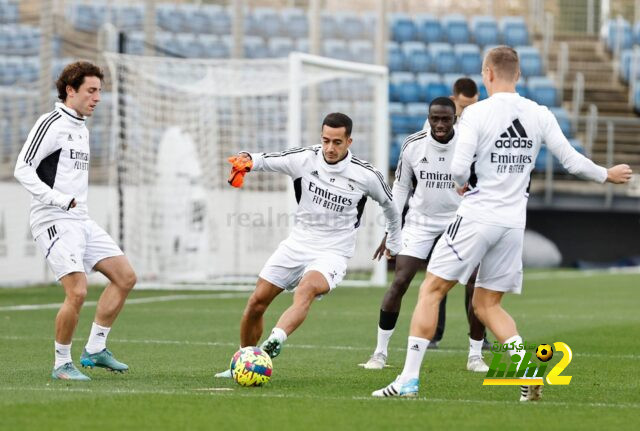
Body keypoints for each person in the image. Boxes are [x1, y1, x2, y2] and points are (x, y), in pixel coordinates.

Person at [372, 46, 632, 400]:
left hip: (478, 216)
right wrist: (607, 174)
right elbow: (571, 161)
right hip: (513, 224)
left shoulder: (477, 114)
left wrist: (461, 182)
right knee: (487, 305)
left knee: (431, 290)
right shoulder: (539, 113)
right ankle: (526, 373)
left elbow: (458, 169)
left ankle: (408, 380)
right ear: (519, 75)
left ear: (488, 74)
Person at [215, 113, 402, 377]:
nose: (330, 148)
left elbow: (392, 208)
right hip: (297, 243)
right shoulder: (304, 159)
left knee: (307, 289)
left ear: (349, 141)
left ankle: (277, 338)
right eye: (326, 140)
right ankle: (241, 362)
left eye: (337, 142)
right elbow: (266, 160)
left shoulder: (366, 175)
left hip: (333, 252)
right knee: (256, 302)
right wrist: (246, 160)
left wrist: (394, 239)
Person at [14, 61, 136, 381]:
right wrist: (55, 199)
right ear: (71, 90)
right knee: (78, 291)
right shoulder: (51, 122)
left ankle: (95, 349)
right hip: (52, 218)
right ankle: (61, 364)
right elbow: (23, 168)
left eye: (100, 91)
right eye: (91, 90)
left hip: (80, 218)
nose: (97, 97)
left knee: (125, 277)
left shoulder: (81, 127)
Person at [362, 97, 488, 373]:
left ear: (455, 118)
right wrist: (391, 229)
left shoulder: (470, 144)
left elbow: (482, 185)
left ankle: (475, 356)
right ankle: (379, 353)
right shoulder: (413, 145)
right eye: (435, 119)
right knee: (401, 281)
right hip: (419, 221)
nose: (440, 124)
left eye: (446, 119)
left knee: (475, 283)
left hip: (459, 221)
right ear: (428, 118)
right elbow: (401, 188)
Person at [423, 78, 489, 350]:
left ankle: (479, 338)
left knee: (475, 278)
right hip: (439, 215)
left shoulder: (476, 128)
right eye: (464, 106)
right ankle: (433, 335)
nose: (469, 110)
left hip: (469, 213)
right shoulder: (434, 128)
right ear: (454, 100)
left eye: (473, 106)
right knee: (439, 276)